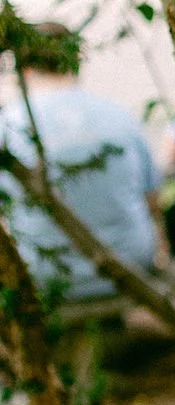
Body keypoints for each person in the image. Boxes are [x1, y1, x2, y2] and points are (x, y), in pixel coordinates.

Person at [0, 29, 160, 307]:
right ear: (75, 62)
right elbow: (152, 200)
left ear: (23, 70)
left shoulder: (8, 124)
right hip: (132, 265)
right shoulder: (118, 113)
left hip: (44, 275)